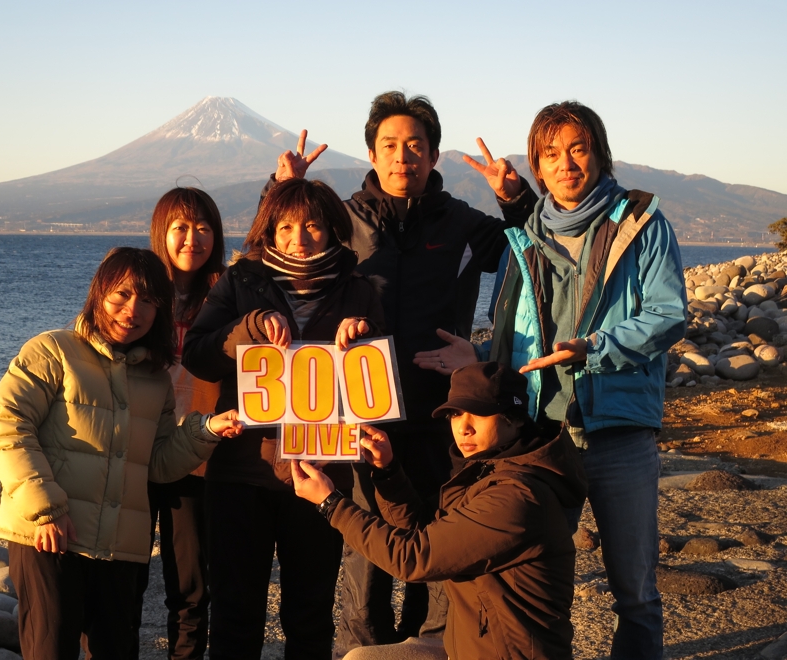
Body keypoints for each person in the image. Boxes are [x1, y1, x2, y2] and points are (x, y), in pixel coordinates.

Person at [414, 101, 688, 659]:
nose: (567, 164)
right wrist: (482, 352)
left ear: (599, 153)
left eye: (578, 149)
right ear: (538, 168)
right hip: (543, 435)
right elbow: (522, 332)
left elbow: (668, 313)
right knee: (531, 577)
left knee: (634, 591)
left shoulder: (640, 224)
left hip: (617, 434)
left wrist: (594, 349)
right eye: (552, 154)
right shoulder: (527, 239)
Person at [270, 92, 523, 655]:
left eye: (416, 146)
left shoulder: (460, 221)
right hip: (364, 411)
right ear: (371, 152)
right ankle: (362, 650)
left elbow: (530, 252)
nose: (402, 157)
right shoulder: (344, 220)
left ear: (433, 155)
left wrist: (514, 199)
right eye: (390, 145)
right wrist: (280, 188)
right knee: (366, 554)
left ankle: (432, 647)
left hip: (442, 413)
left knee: (441, 537)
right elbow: (280, 251)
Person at [0, 247, 244, 660]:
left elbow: (158, 464)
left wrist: (207, 429)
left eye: (147, 301)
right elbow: (8, 427)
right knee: (50, 650)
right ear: (98, 292)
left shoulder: (155, 377)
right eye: (121, 295)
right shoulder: (52, 350)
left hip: (118, 547)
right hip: (49, 536)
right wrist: (45, 509)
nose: (133, 310)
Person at [181, 178, 387, 659]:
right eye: (287, 226)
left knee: (310, 613)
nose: (300, 237)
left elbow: (378, 378)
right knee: (235, 613)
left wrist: (366, 337)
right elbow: (198, 355)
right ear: (269, 231)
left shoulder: (359, 290)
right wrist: (245, 328)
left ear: (333, 229)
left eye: (313, 225)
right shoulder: (240, 282)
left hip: (319, 474)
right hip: (241, 474)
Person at [291, 361, 587, 660]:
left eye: (480, 413)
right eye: (456, 413)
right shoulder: (485, 473)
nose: (463, 427)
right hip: (468, 648)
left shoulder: (519, 495)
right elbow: (422, 528)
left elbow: (413, 558)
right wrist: (387, 470)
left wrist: (331, 504)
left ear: (515, 419)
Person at [137, 187, 227, 659]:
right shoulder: (138, 294)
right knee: (120, 583)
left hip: (195, 457)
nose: (192, 238)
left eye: (203, 227)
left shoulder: (228, 295)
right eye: (180, 227)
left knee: (190, 587)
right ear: (161, 233)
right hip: (133, 449)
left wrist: (275, 190)